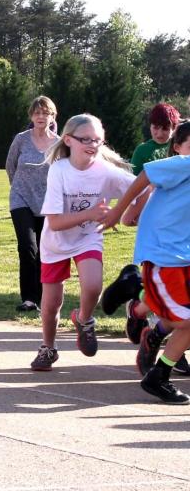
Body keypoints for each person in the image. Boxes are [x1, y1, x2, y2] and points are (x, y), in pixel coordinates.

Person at [29, 114, 137, 371]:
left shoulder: (108, 172)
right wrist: (90, 214)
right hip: (56, 241)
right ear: (68, 140)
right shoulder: (59, 170)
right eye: (85, 139)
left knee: (92, 285)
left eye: (98, 140)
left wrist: (125, 213)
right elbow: (54, 222)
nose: (92, 144)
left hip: (88, 237)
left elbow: (141, 188)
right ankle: (48, 347)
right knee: (51, 303)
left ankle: (84, 320)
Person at [100, 121, 190, 403]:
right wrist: (117, 212)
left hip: (181, 255)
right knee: (185, 320)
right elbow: (146, 175)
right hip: (163, 255)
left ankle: (134, 291)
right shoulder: (184, 164)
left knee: (181, 317)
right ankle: (158, 377)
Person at [102, 102, 181, 343]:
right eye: (156, 128)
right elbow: (133, 183)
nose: (160, 133)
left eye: (166, 128)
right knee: (164, 275)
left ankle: (138, 299)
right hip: (153, 214)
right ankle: (158, 331)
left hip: (174, 219)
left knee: (169, 279)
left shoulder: (177, 151)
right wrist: (123, 212)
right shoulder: (145, 151)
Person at [5, 96, 59, 312]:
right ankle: (28, 298)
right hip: (21, 199)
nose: (40, 116)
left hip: (48, 203)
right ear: (31, 116)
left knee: (44, 251)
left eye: (45, 113)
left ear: (52, 116)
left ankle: (42, 297)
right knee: (28, 247)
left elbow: (63, 172)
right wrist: (19, 188)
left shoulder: (59, 142)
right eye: (37, 113)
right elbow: (10, 166)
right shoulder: (21, 139)